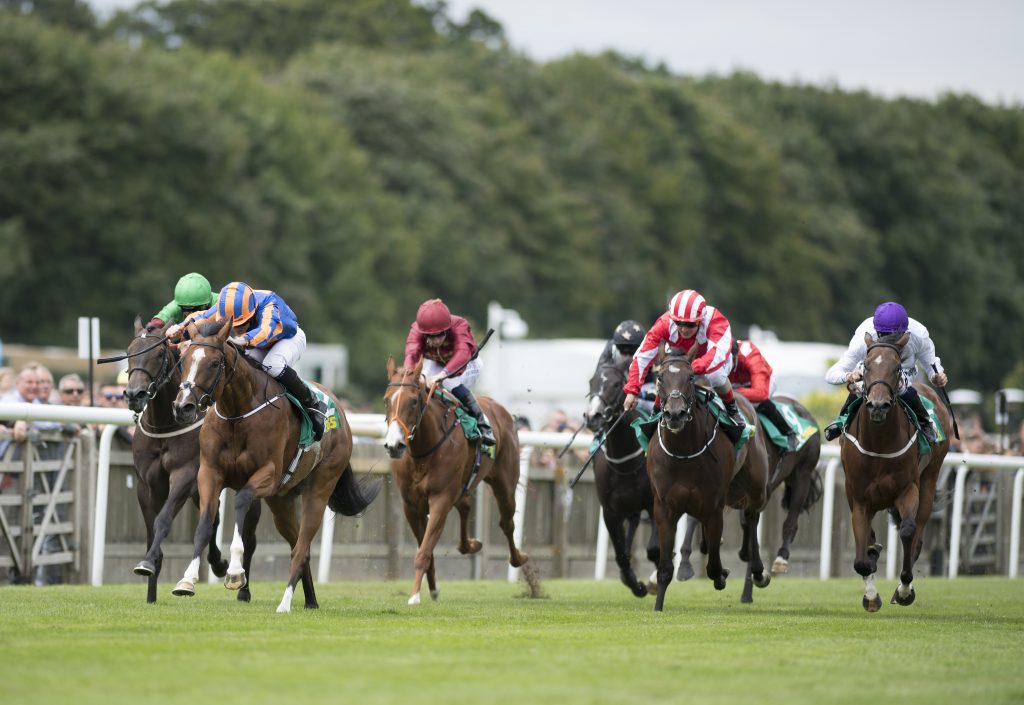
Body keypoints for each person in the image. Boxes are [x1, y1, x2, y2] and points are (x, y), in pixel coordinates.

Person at [165, 281, 329, 442]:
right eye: (234, 326)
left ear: (252, 311)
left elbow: (266, 331)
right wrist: (181, 328)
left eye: (241, 324)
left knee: (273, 365)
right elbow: (201, 317)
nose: (236, 330)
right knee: (240, 367)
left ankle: (312, 402)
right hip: (255, 341)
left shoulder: (270, 303)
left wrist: (243, 340)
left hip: (287, 338)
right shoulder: (229, 307)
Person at [822, 302, 948, 443]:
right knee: (860, 385)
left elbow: (931, 364)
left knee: (900, 387)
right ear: (876, 331)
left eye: (893, 337)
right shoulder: (863, 336)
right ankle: (842, 420)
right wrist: (848, 376)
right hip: (873, 368)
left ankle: (925, 422)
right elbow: (831, 374)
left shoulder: (919, 335)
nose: (889, 341)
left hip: (904, 368)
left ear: (904, 332)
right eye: (884, 335)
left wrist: (937, 376)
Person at [623, 289, 748, 430]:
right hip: (684, 360)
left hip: (716, 360)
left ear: (701, 320)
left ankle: (732, 409)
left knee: (716, 375)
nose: (683, 329)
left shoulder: (716, 321)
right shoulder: (664, 323)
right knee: (668, 372)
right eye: (678, 323)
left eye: (690, 325)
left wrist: (691, 368)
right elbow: (642, 357)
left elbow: (716, 354)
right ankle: (656, 412)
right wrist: (632, 391)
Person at [403, 298, 494, 446]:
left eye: (440, 334)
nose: (436, 340)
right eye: (431, 336)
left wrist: (442, 374)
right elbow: (411, 354)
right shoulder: (416, 330)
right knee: (421, 384)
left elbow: (463, 353)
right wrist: (409, 375)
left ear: (447, 329)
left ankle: (482, 423)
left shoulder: (460, 324)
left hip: (468, 364)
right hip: (437, 363)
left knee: (449, 381)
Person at [729, 339, 800, 451]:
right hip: (734, 384)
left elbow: (761, 393)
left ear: (735, 356)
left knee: (758, 403)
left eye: (727, 361)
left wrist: (733, 392)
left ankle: (789, 432)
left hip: (762, 381)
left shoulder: (750, 354)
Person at [147, 272, 219, 329]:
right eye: (186, 309)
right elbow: (158, 322)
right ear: (180, 306)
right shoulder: (176, 305)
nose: (191, 314)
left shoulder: (220, 302)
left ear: (207, 303)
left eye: (196, 309)